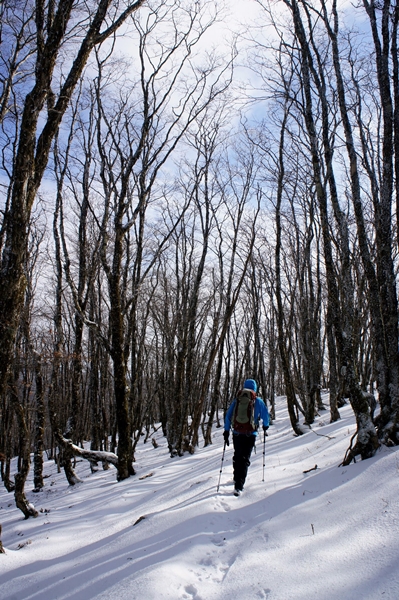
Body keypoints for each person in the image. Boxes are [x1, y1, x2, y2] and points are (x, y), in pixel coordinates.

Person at [223, 378, 269, 496]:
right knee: (244, 459)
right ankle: (239, 486)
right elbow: (265, 416)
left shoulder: (237, 400)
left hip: (237, 433)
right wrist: (265, 426)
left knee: (238, 455)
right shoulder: (258, 401)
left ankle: (236, 477)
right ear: (255, 389)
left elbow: (228, 416)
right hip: (250, 434)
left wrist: (226, 431)